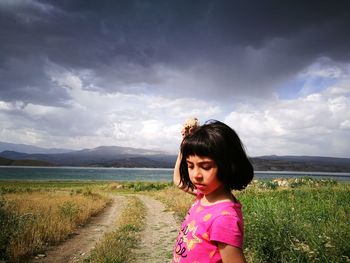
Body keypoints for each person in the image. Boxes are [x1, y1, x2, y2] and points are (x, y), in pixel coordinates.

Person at [173, 119, 254, 263]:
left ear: (228, 165)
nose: (196, 175)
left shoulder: (224, 218)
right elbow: (179, 182)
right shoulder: (204, 195)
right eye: (190, 166)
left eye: (205, 166)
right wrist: (185, 143)